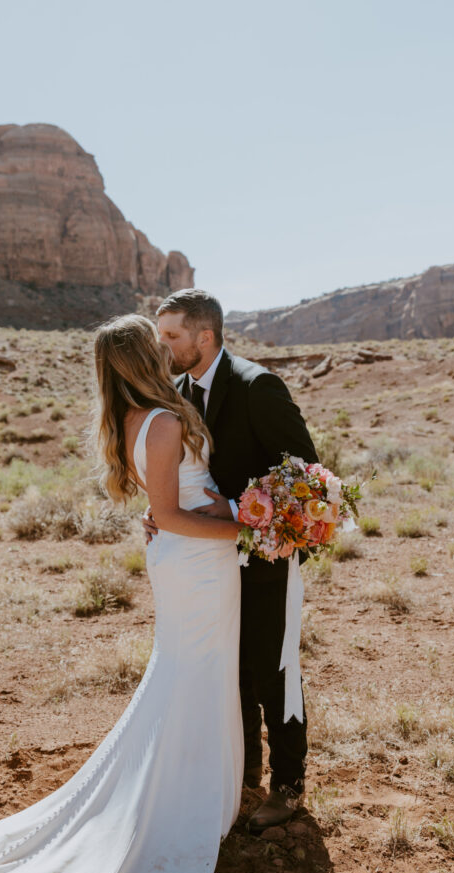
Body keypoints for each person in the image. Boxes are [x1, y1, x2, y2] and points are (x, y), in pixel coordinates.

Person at [0, 313, 244, 873]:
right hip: (195, 564)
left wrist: (217, 508)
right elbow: (168, 513)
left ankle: (197, 798)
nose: (168, 348)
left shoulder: (136, 420)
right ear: (144, 357)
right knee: (192, 677)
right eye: (158, 342)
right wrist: (242, 527)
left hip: (192, 562)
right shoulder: (165, 422)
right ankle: (179, 808)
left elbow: (166, 502)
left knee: (193, 675)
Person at [148, 289, 318, 833]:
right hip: (207, 559)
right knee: (230, 669)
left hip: (266, 556)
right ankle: (241, 773)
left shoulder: (257, 385)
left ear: (205, 336)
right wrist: (162, 512)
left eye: (172, 334)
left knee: (274, 670)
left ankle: (288, 786)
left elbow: (305, 475)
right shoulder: (175, 393)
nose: (163, 344)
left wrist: (238, 506)